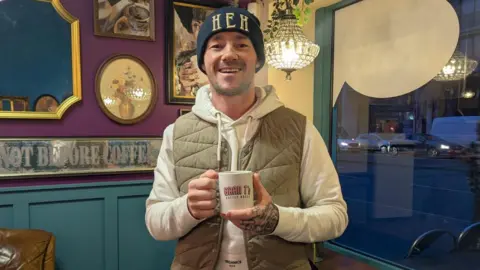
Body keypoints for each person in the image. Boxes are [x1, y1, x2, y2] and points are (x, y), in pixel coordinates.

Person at [145, 6, 348, 270]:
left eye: (241, 45)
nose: (229, 54)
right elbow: (155, 223)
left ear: (258, 59)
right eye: (216, 46)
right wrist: (188, 208)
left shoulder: (300, 128)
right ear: (203, 61)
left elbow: (336, 216)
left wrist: (277, 219)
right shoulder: (176, 132)